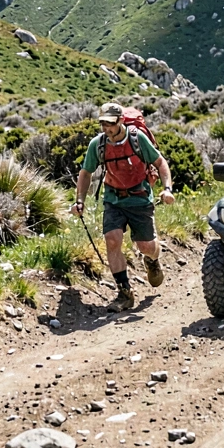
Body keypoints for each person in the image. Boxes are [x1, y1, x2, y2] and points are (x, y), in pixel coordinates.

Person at [71, 102, 175, 313]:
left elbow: (160, 163)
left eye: (109, 123)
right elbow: (86, 173)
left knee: (146, 246)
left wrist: (167, 189)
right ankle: (124, 293)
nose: (106, 128)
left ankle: (153, 259)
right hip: (113, 199)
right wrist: (79, 200)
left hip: (139, 199)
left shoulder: (137, 139)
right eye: (102, 123)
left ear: (120, 121)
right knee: (112, 239)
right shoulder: (98, 144)